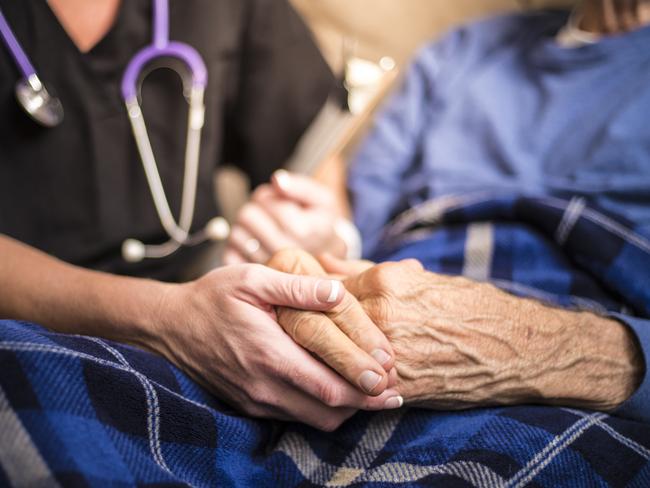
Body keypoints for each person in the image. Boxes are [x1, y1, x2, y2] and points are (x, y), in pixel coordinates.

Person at [226, 0, 650, 422]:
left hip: (584, 318)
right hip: (399, 293)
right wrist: (322, 237)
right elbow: (361, 222)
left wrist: (543, 348)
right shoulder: (461, 50)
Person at [0, 0, 404, 432]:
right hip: (28, 343)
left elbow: (311, 151)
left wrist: (325, 236)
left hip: (217, 328)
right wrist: (166, 321)